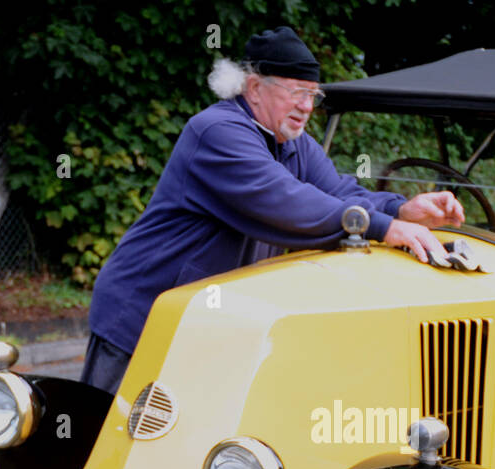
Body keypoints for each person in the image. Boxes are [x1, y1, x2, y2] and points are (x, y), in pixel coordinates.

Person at [80, 25, 465, 394]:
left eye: (314, 95)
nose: (306, 106)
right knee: (104, 444)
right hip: (143, 316)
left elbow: (339, 191)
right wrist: (382, 228)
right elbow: (285, 200)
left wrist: (402, 210)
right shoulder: (217, 131)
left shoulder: (292, 141)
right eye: (297, 92)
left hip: (202, 324)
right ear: (254, 88)